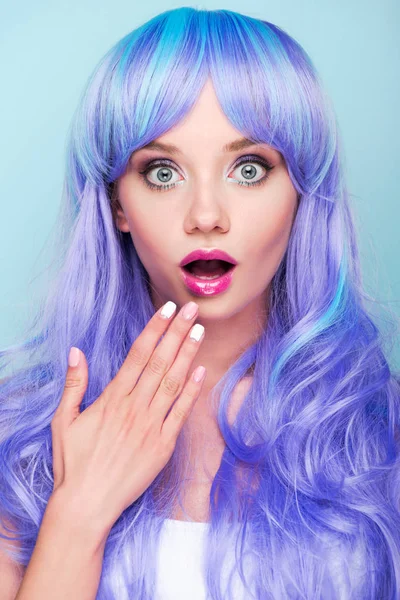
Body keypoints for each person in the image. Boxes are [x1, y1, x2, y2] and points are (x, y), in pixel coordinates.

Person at [1, 6, 400, 599]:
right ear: (117, 207)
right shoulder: (22, 444)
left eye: (248, 168)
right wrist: (79, 513)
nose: (206, 216)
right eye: (162, 172)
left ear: (300, 190)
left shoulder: (377, 434)